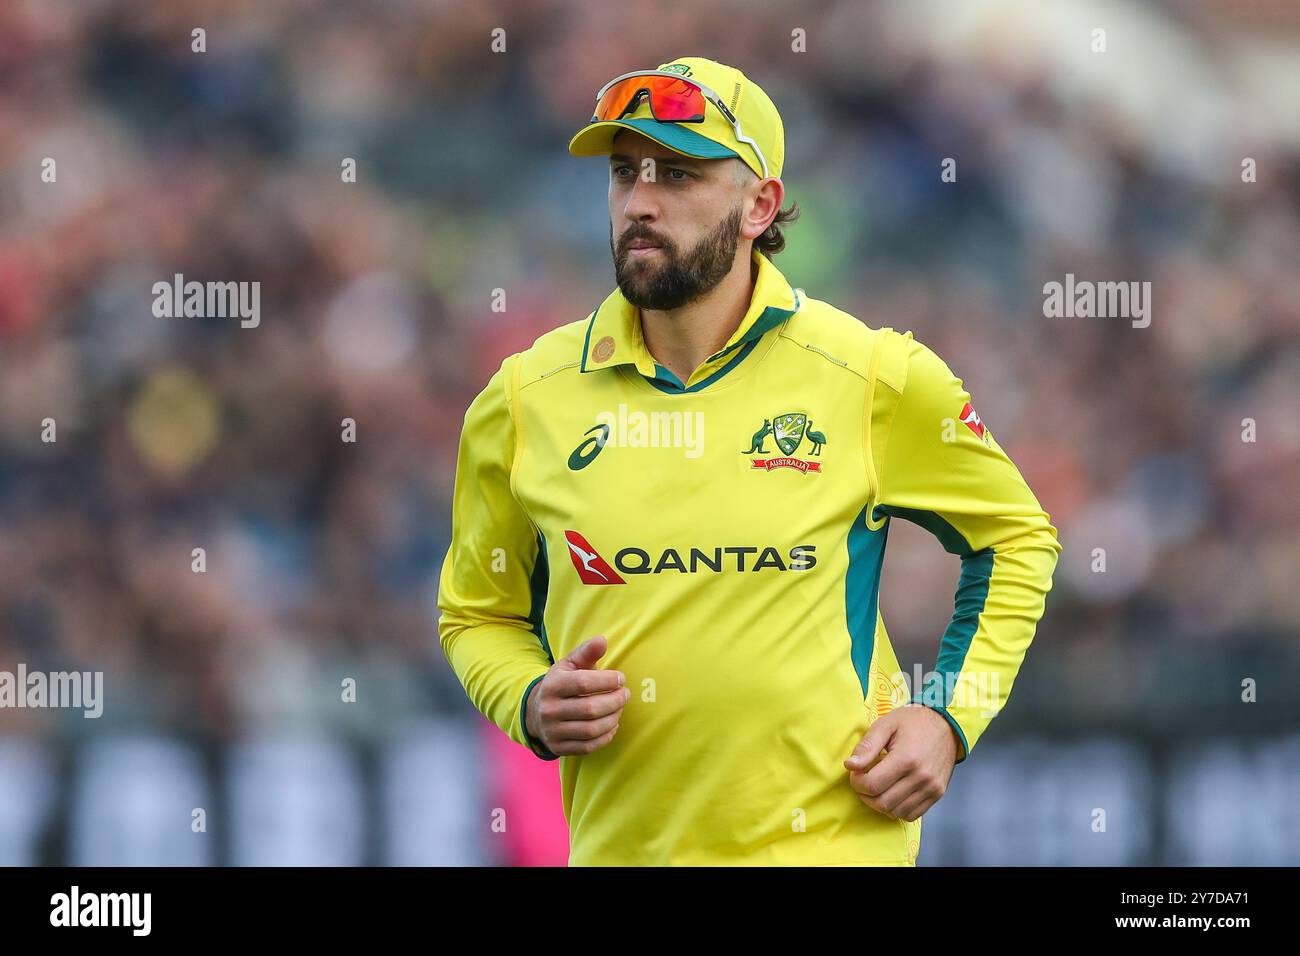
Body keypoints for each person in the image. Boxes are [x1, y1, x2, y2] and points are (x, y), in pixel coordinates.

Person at [437, 56, 1061, 865]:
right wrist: (527, 698)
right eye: (625, 173)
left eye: (680, 175)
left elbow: (1015, 541)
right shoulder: (524, 400)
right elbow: (477, 613)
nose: (640, 203)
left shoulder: (875, 376)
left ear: (760, 204)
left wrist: (948, 716)